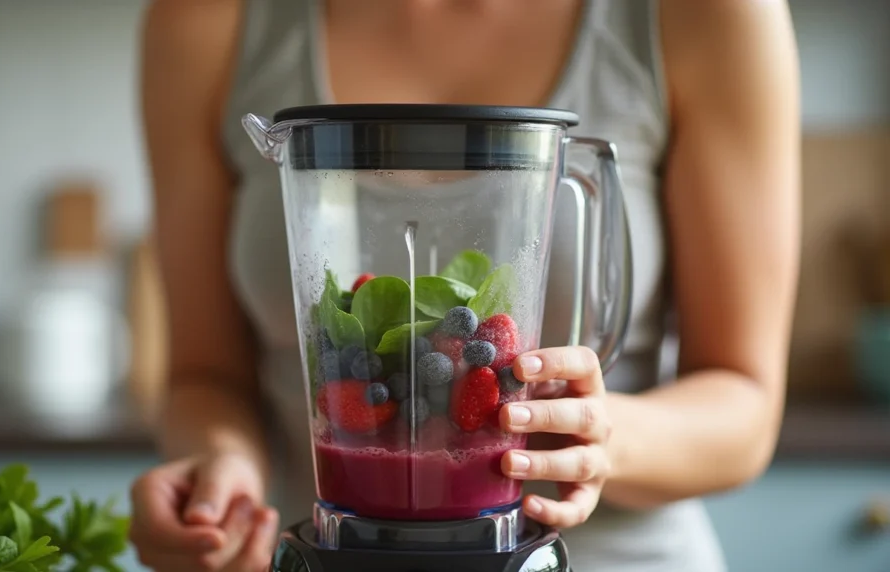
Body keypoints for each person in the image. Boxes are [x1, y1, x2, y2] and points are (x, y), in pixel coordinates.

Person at [129, 0, 800, 570]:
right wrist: (222, 470)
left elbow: (745, 407)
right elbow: (203, 374)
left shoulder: (706, 15)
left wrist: (600, 435)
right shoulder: (205, 20)